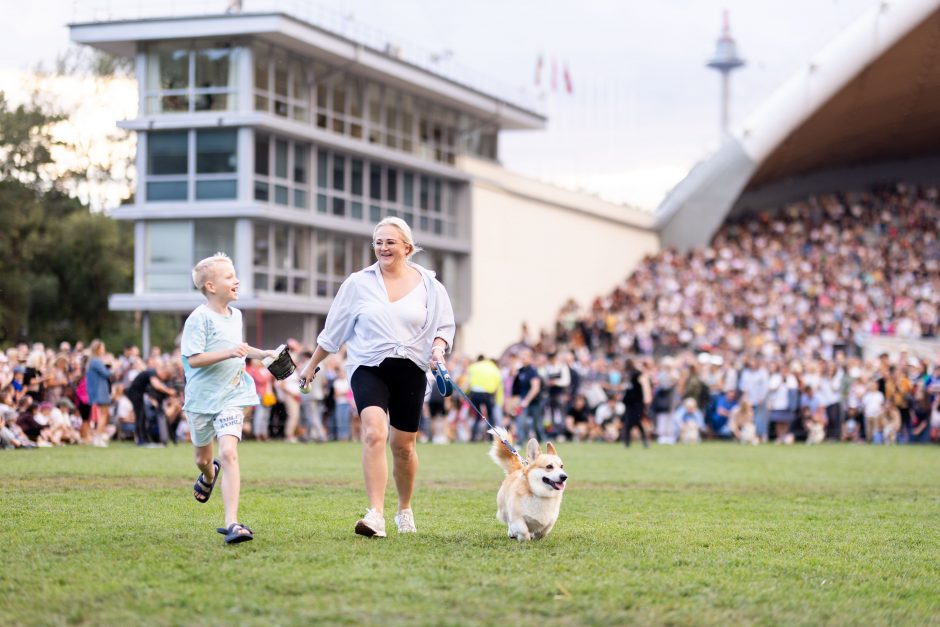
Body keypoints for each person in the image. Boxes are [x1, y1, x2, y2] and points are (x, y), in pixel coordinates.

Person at [296, 217, 455, 538]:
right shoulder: (357, 283)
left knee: (403, 447)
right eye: (378, 242)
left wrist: (438, 350)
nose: (383, 247)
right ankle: (375, 514)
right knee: (373, 432)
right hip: (367, 366)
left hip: (411, 368)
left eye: (390, 242)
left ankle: (404, 509)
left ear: (407, 248)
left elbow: (443, 328)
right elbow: (334, 329)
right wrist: (311, 365)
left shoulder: (431, 286)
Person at [181, 252, 277, 544]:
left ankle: (232, 522)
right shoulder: (199, 318)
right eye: (229, 277)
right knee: (202, 459)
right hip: (201, 400)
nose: (236, 280)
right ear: (211, 286)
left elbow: (240, 349)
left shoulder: (237, 316)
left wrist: (264, 354)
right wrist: (229, 352)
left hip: (232, 395)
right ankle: (209, 477)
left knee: (229, 453)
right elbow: (194, 359)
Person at [84, 340, 112, 448]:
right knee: (104, 414)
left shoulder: (93, 361)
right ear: (98, 349)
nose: (104, 350)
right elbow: (106, 373)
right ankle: (98, 437)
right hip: (100, 391)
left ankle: (99, 436)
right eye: (102, 348)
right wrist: (114, 367)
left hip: (98, 390)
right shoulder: (96, 361)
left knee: (103, 414)